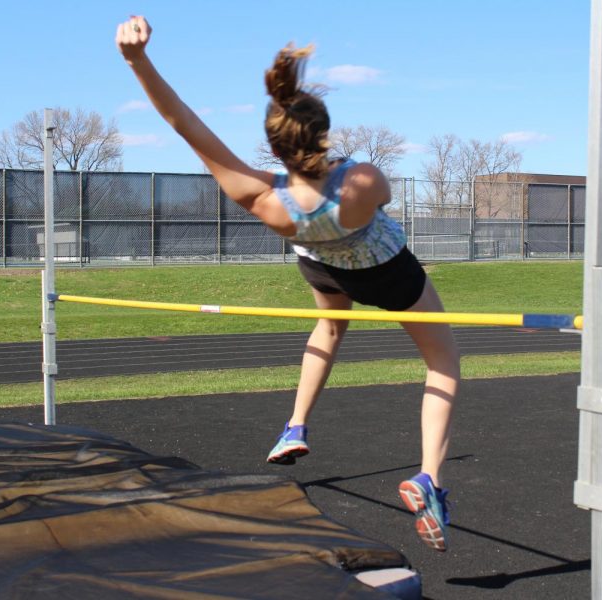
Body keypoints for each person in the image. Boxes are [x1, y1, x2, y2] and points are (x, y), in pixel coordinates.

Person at [116, 16, 460, 551]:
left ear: (273, 149)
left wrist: (136, 61)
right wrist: (338, 165)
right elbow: (381, 199)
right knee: (442, 360)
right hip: (384, 267)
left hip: (320, 264)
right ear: (322, 134)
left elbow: (182, 121)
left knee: (329, 326)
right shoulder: (363, 179)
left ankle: (296, 425)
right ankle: (429, 478)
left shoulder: (257, 195)